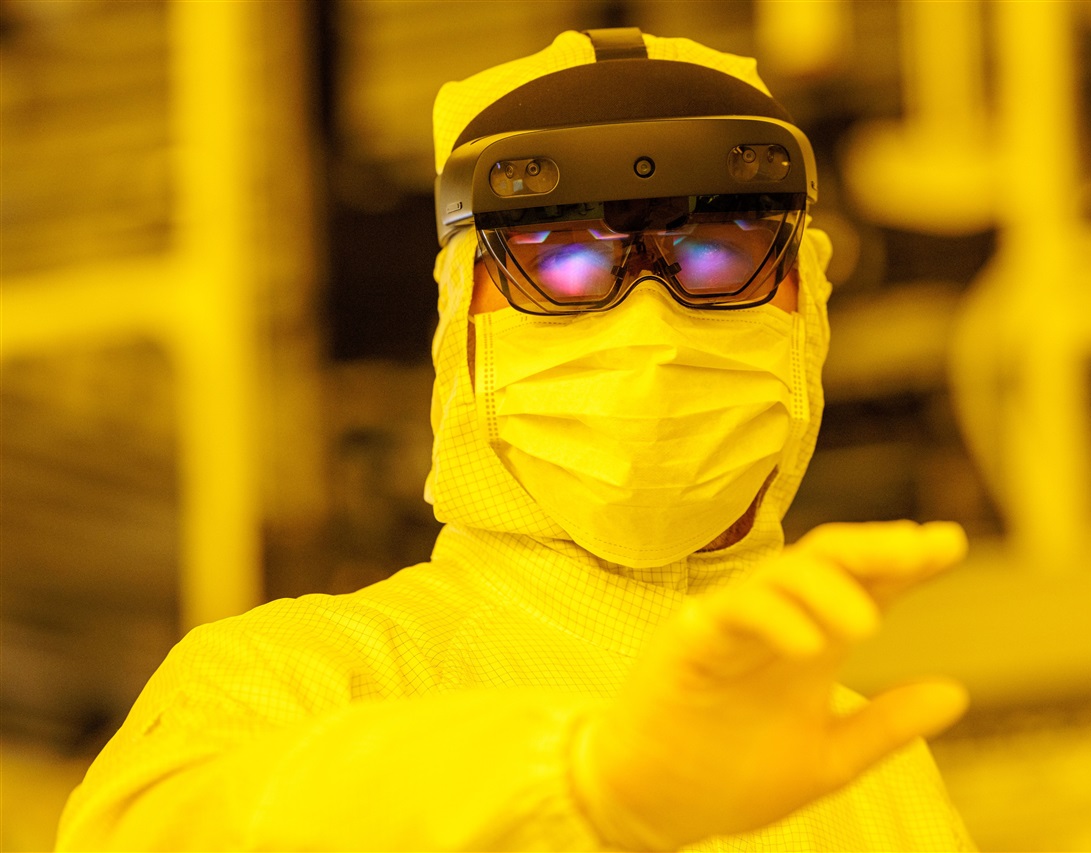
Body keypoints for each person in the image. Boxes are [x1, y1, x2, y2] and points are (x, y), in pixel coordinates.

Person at [57, 29, 974, 851]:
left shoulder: (863, 765)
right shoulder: (305, 674)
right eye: (563, 261)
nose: (650, 326)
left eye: (716, 253)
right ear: (462, 320)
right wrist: (578, 785)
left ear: (807, 314)